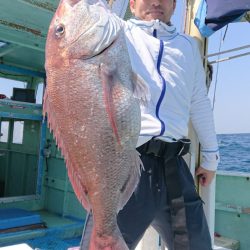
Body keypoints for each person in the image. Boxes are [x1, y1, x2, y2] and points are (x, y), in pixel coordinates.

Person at [81, 0, 220, 249]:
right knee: (102, 243)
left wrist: (211, 158)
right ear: (131, 4)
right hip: (126, 165)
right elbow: (92, 8)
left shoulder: (189, 47)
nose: (156, 2)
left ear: (175, 6)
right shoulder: (117, 33)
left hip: (175, 168)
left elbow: (199, 102)